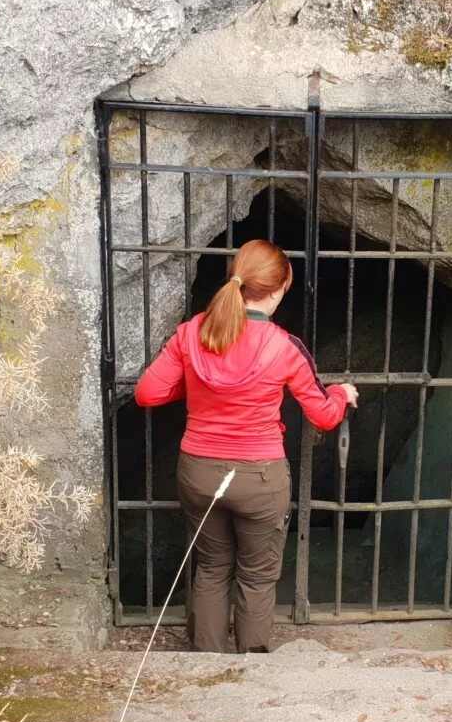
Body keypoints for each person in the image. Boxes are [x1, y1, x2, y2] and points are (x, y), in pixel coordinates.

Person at [135, 239, 358, 653]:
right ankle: (250, 670)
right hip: (259, 476)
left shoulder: (191, 332)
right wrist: (342, 393)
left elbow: (147, 393)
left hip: (198, 469)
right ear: (282, 285)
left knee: (211, 567)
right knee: (256, 575)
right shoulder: (284, 347)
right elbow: (324, 415)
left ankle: (207, 663)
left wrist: (198, 387)